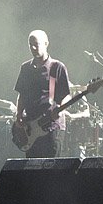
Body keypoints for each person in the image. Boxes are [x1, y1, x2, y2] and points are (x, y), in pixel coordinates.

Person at [13, 30, 71, 158]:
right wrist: (19, 114)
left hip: (51, 126)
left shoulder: (57, 67)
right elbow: (22, 95)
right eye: (30, 45)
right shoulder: (25, 68)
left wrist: (60, 108)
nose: (33, 48)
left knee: (51, 167)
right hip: (31, 128)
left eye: (36, 44)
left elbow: (66, 95)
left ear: (46, 44)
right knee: (32, 167)